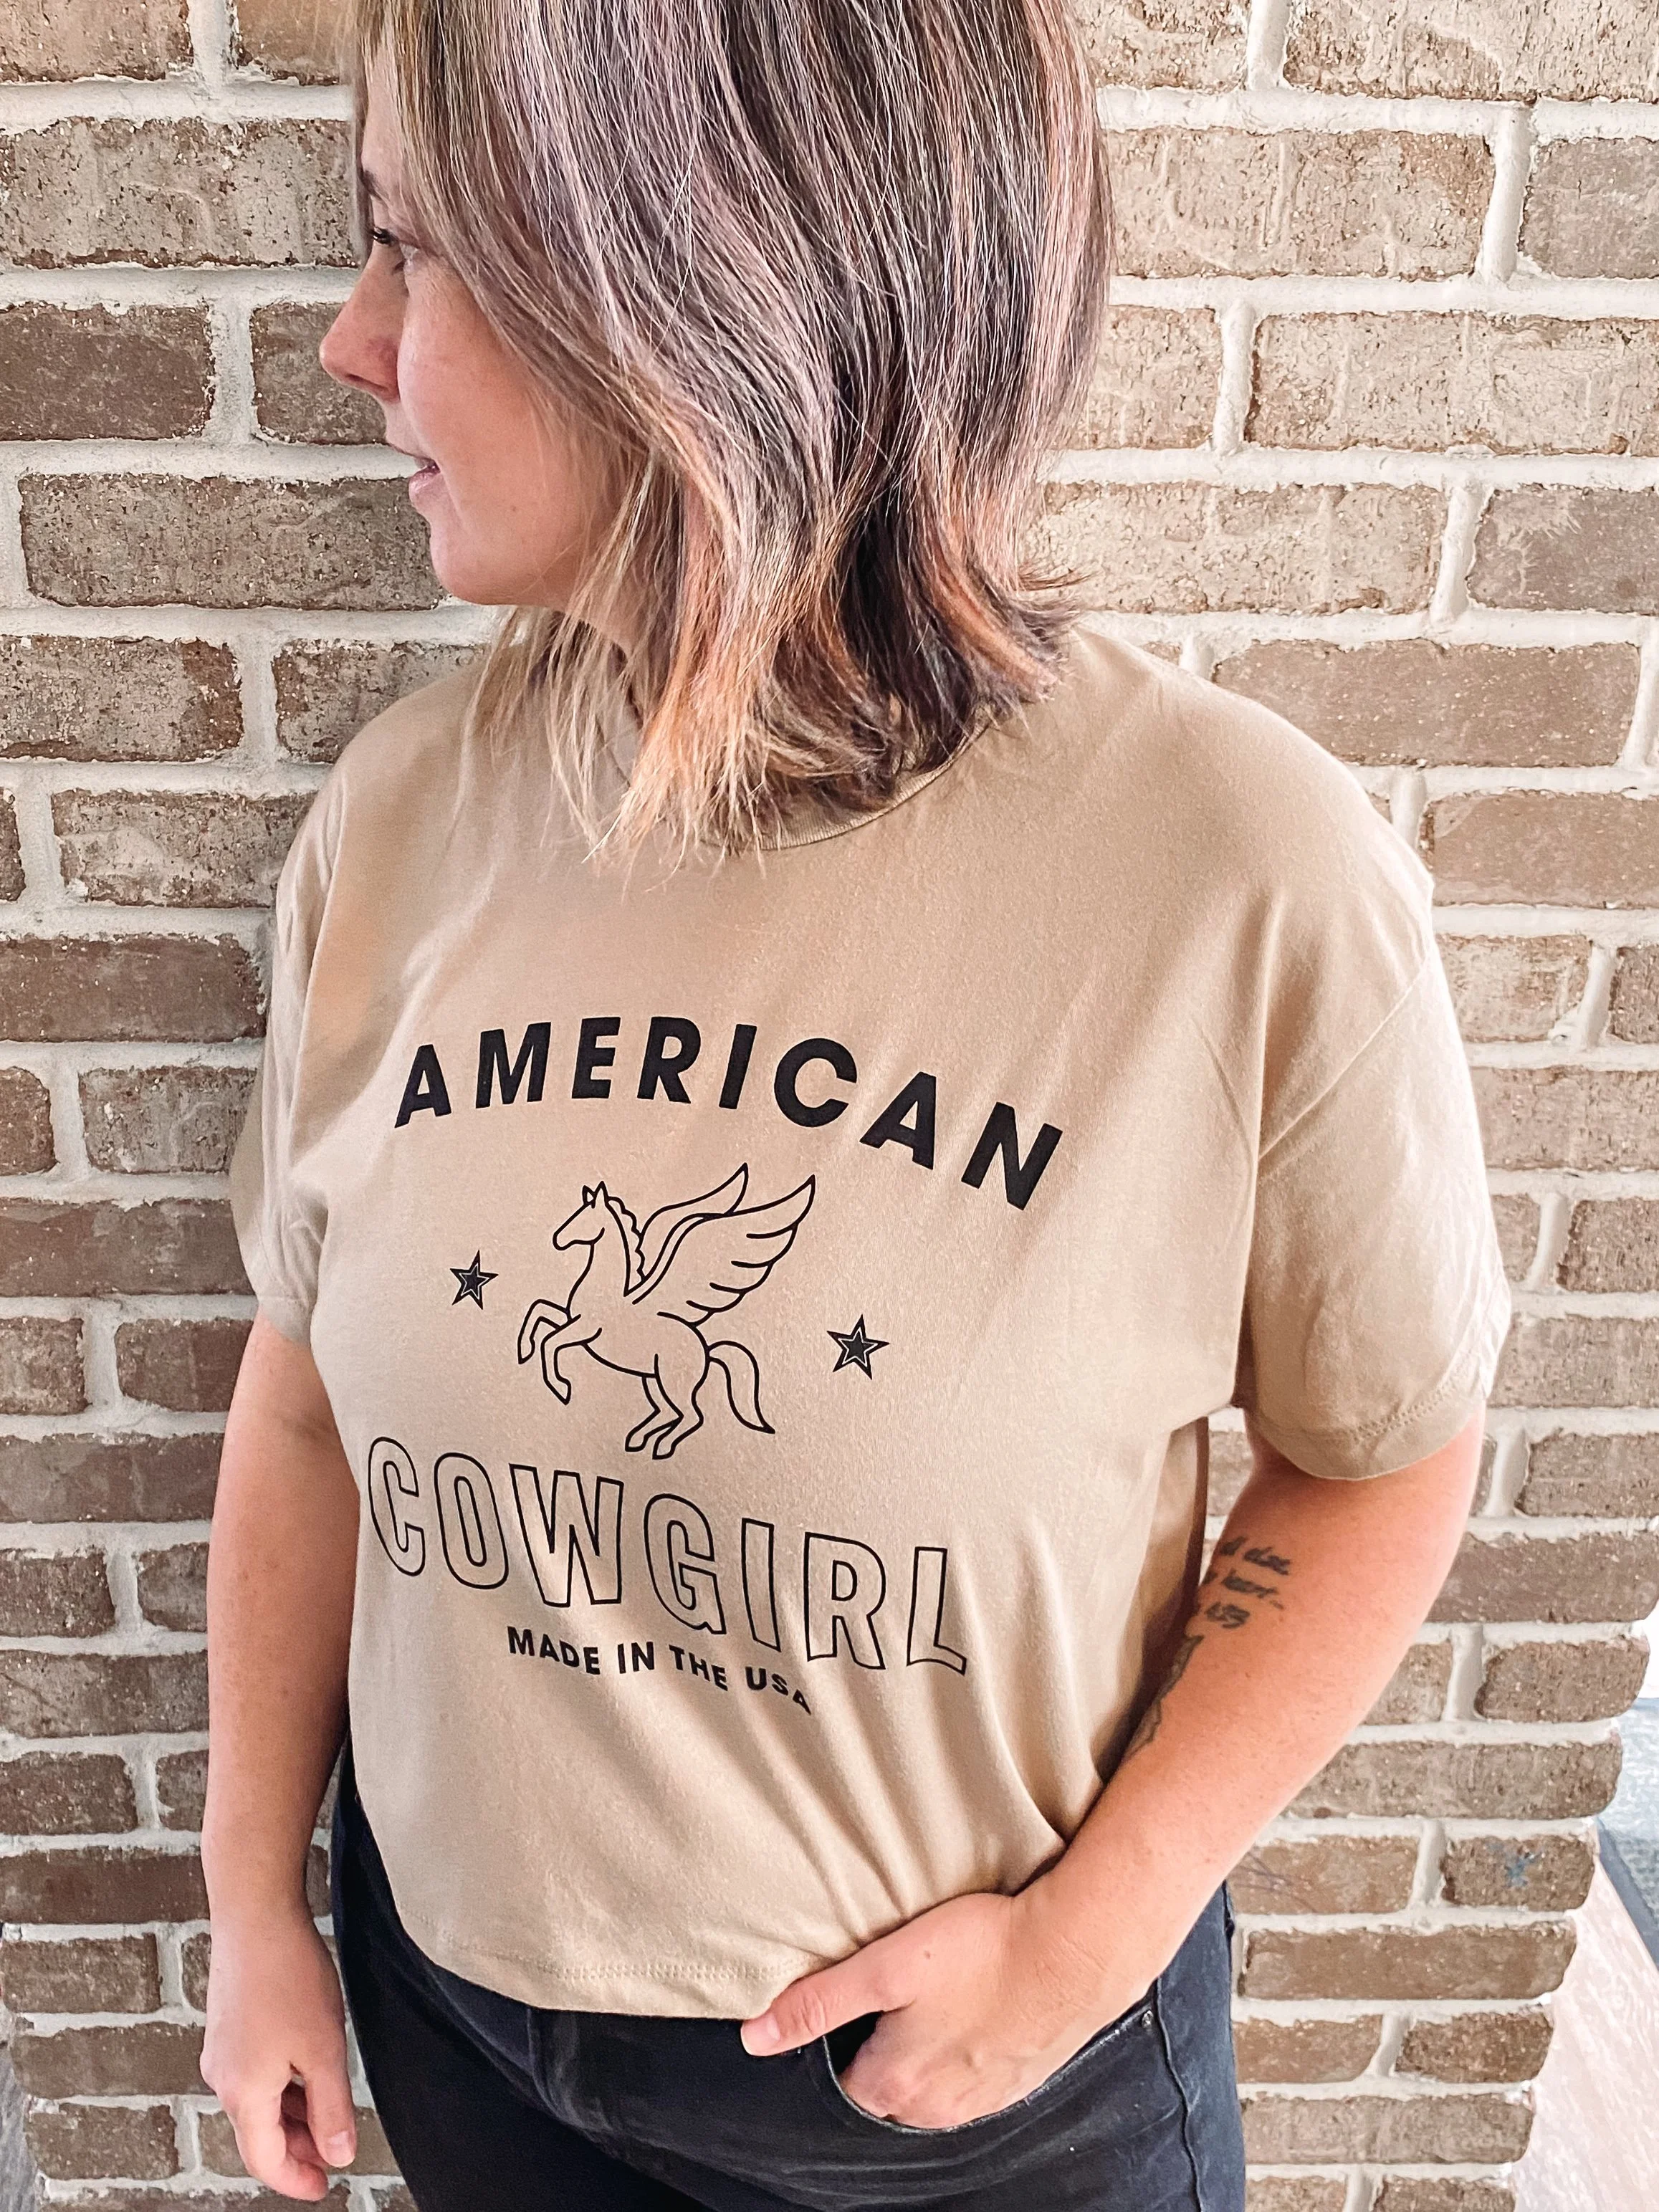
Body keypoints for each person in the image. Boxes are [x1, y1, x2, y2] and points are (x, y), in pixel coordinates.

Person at [198, 1, 1514, 2207]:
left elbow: (1382, 1457)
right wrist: (259, 1913)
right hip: (469, 2034)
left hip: (972, 2112)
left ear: (681, 287)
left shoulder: (1235, 874)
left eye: (414, 253)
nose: (350, 343)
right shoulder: (401, 827)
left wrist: (1083, 1947)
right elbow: (307, 1401)